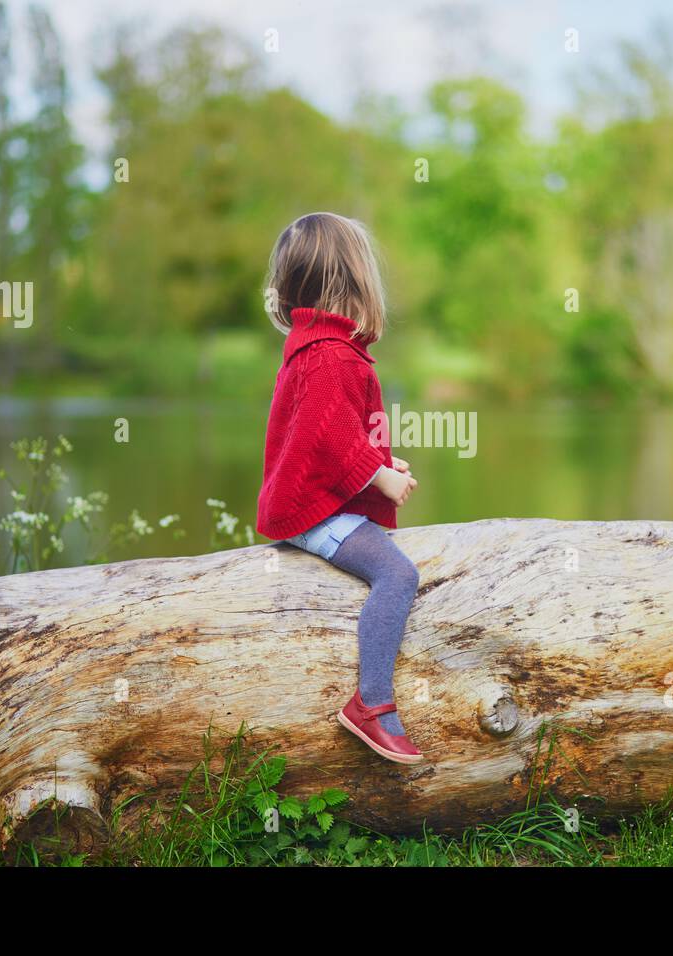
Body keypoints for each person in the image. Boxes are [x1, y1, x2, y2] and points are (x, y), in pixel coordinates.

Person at [255, 211, 424, 764]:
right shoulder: (331, 356)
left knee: (392, 561)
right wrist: (380, 477)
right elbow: (329, 440)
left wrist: (381, 460)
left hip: (305, 500)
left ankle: (373, 699)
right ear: (352, 284)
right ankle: (371, 704)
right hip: (311, 513)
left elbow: (328, 432)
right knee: (397, 573)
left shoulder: (318, 348)